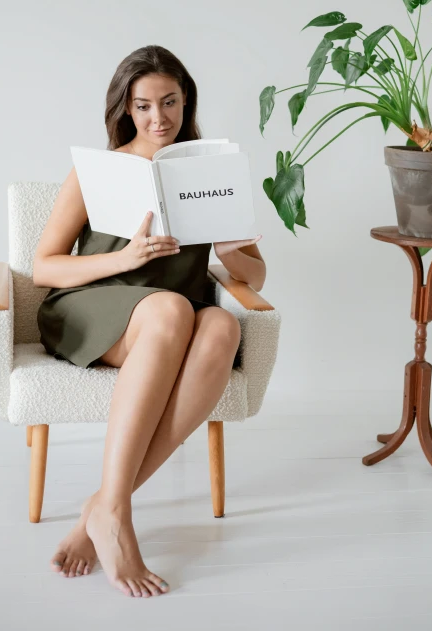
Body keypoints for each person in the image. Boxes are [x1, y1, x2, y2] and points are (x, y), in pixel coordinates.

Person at [32, 45, 266, 599]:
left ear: (186, 103)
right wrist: (127, 258)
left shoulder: (208, 172)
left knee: (223, 328)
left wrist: (233, 245)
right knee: (172, 307)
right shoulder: (96, 170)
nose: (158, 118)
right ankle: (115, 517)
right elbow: (44, 267)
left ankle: (103, 507)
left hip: (174, 317)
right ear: (125, 109)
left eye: (169, 102)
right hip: (96, 305)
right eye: (143, 106)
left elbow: (253, 278)